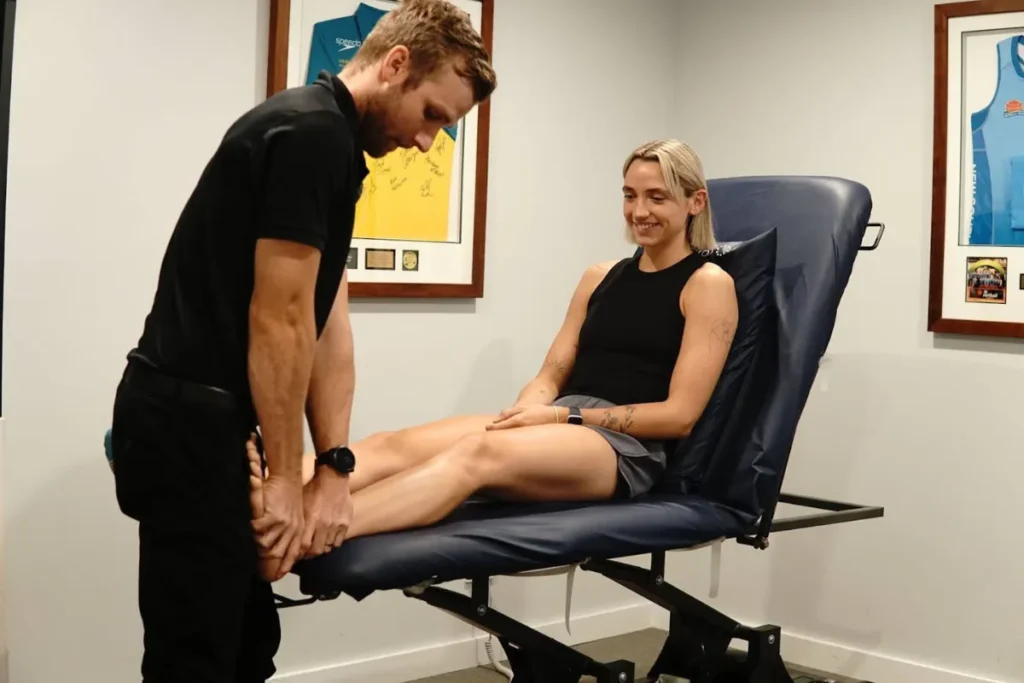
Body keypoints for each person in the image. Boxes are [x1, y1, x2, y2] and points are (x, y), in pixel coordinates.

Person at [107, 0, 497, 680]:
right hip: (187, 422)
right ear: (395, 64)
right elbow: (280, 322)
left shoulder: (332, 142)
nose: (427, 141)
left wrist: (333, 469)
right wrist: (288, 478)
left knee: (247, 646)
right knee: (196, 658)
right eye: (432, 114)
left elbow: (326, 321)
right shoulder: (312, 135)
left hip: (213, 419)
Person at [246, 139, 740, 582]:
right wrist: (528, 412)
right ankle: (266, 501)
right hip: (561, 421)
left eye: (657, 197)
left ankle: (300, 537)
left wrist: (561, 417)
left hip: (627, 450)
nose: (639, 211)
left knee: (475, 454)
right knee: (394, 444)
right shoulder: (600, 275)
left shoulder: (708, 285)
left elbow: (680, 415)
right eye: (630, 195)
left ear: (695, 202)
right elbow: (552, 374)